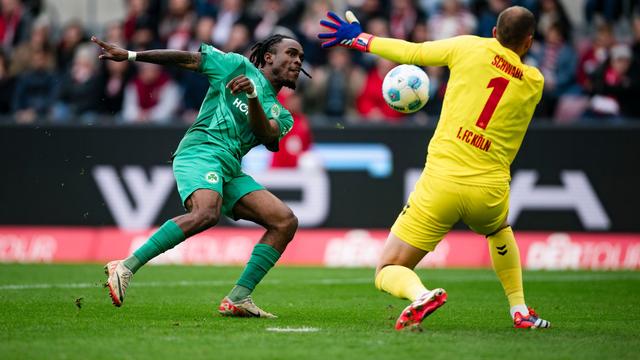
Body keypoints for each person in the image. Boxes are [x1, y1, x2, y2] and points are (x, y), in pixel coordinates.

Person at [319, 6, 551, 330]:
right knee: (498, 230)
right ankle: (520, 309)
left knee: (387, 269)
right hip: (489, 190)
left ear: (495, 33)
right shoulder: (535, 82)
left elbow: (412, 52)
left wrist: (361, 40)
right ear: (528, 42)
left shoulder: (468, 47)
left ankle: (421, 294)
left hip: (441, 183)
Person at [92, 33, 307, 318]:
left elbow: (265, 134)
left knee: (284, 221)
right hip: (200, 151)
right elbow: (187, 59)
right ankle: (125, 265)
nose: (297, 61)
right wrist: (132, 55)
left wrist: (253, 95)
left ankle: (239, 297)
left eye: (301, 58)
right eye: (291, 54)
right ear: (269, 57)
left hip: (229, 167)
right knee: (206, 213)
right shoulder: (234, 65)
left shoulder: (283, 114)